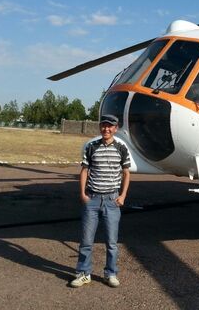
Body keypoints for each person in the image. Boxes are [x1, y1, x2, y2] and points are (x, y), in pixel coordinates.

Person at [70, 114, 131, 288]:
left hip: (112, 201)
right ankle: (83, 274)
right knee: (86, 241)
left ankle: (110, 274)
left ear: (115, 128)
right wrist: (83, 194)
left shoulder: (121, 148)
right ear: (100, 127)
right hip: (92, 200)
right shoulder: (91, 147)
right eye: (104, 125)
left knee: (112, 243)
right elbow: (84, 170)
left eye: (110, 126)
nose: (106, 129)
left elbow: (126, 173)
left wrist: (123, 196)